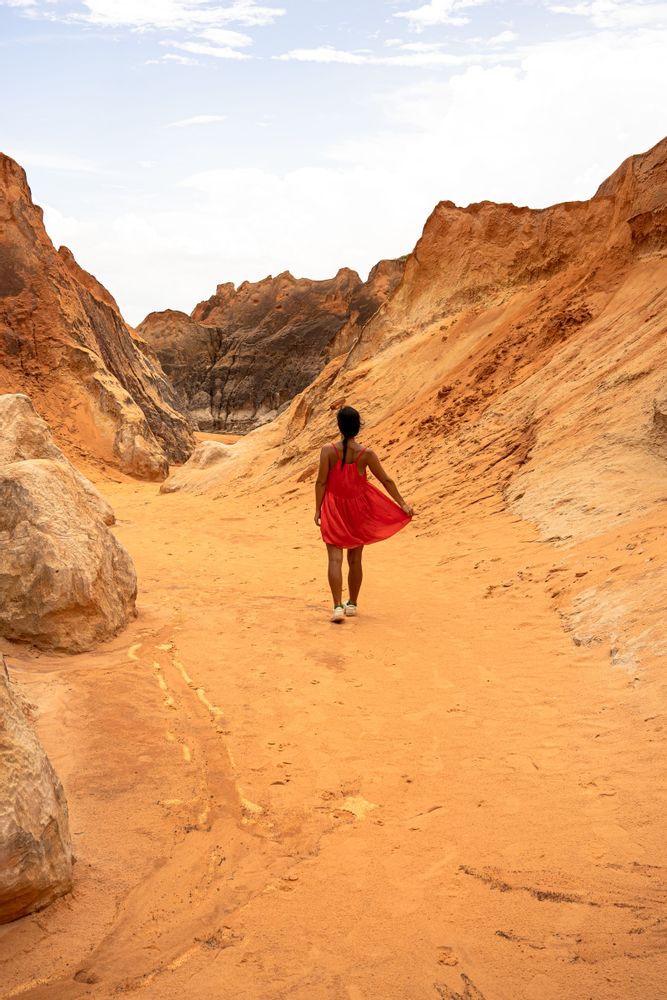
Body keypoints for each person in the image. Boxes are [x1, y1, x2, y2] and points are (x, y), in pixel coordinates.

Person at [314, 405, 414, 623]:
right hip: (357, 509)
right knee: (355, 559)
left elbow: (321, 481)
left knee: (334, 558)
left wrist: (317, 509)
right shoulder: (366, 454)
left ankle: (337, 607)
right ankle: (352, 604)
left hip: (333, 507)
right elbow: (386, 480)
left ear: (339, 426)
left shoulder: (327, 451)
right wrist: (403, 504)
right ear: (358, 427)